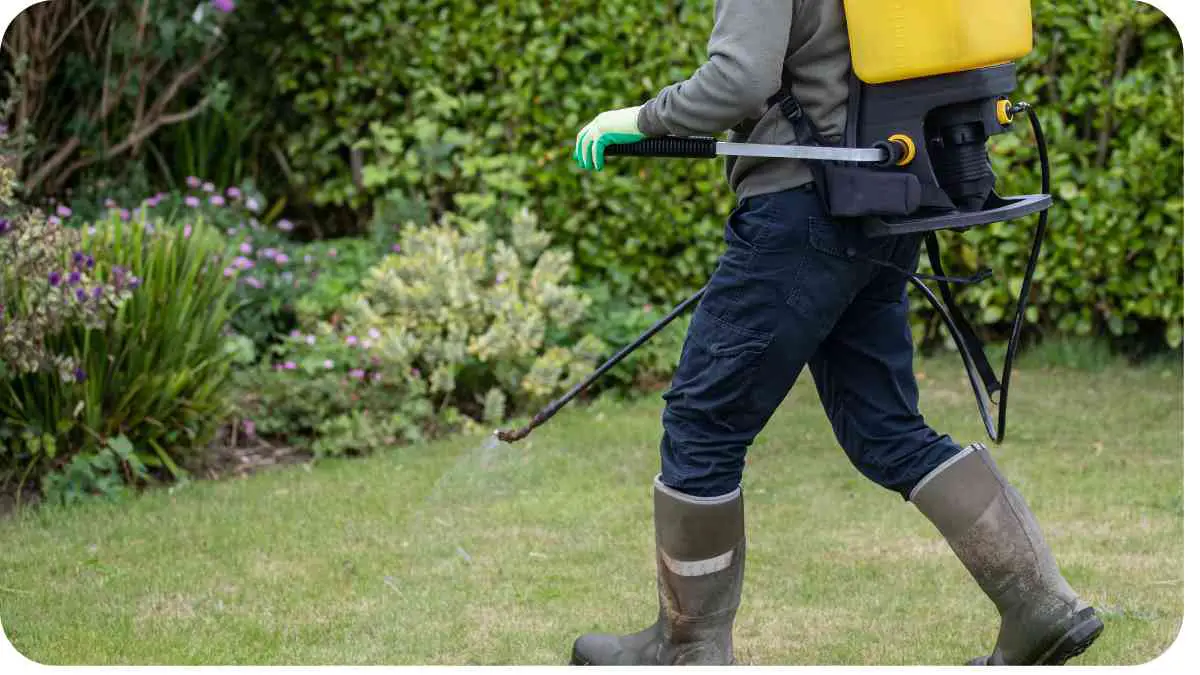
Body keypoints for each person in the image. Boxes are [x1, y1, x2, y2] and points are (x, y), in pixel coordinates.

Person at [568, 0, 1103, 666]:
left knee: (704, 421)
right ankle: (1040, 603)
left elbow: (737, 79)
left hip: (802, 209)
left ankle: (690, 647)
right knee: (884, 426)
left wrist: (635, 119)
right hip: (888, 197)